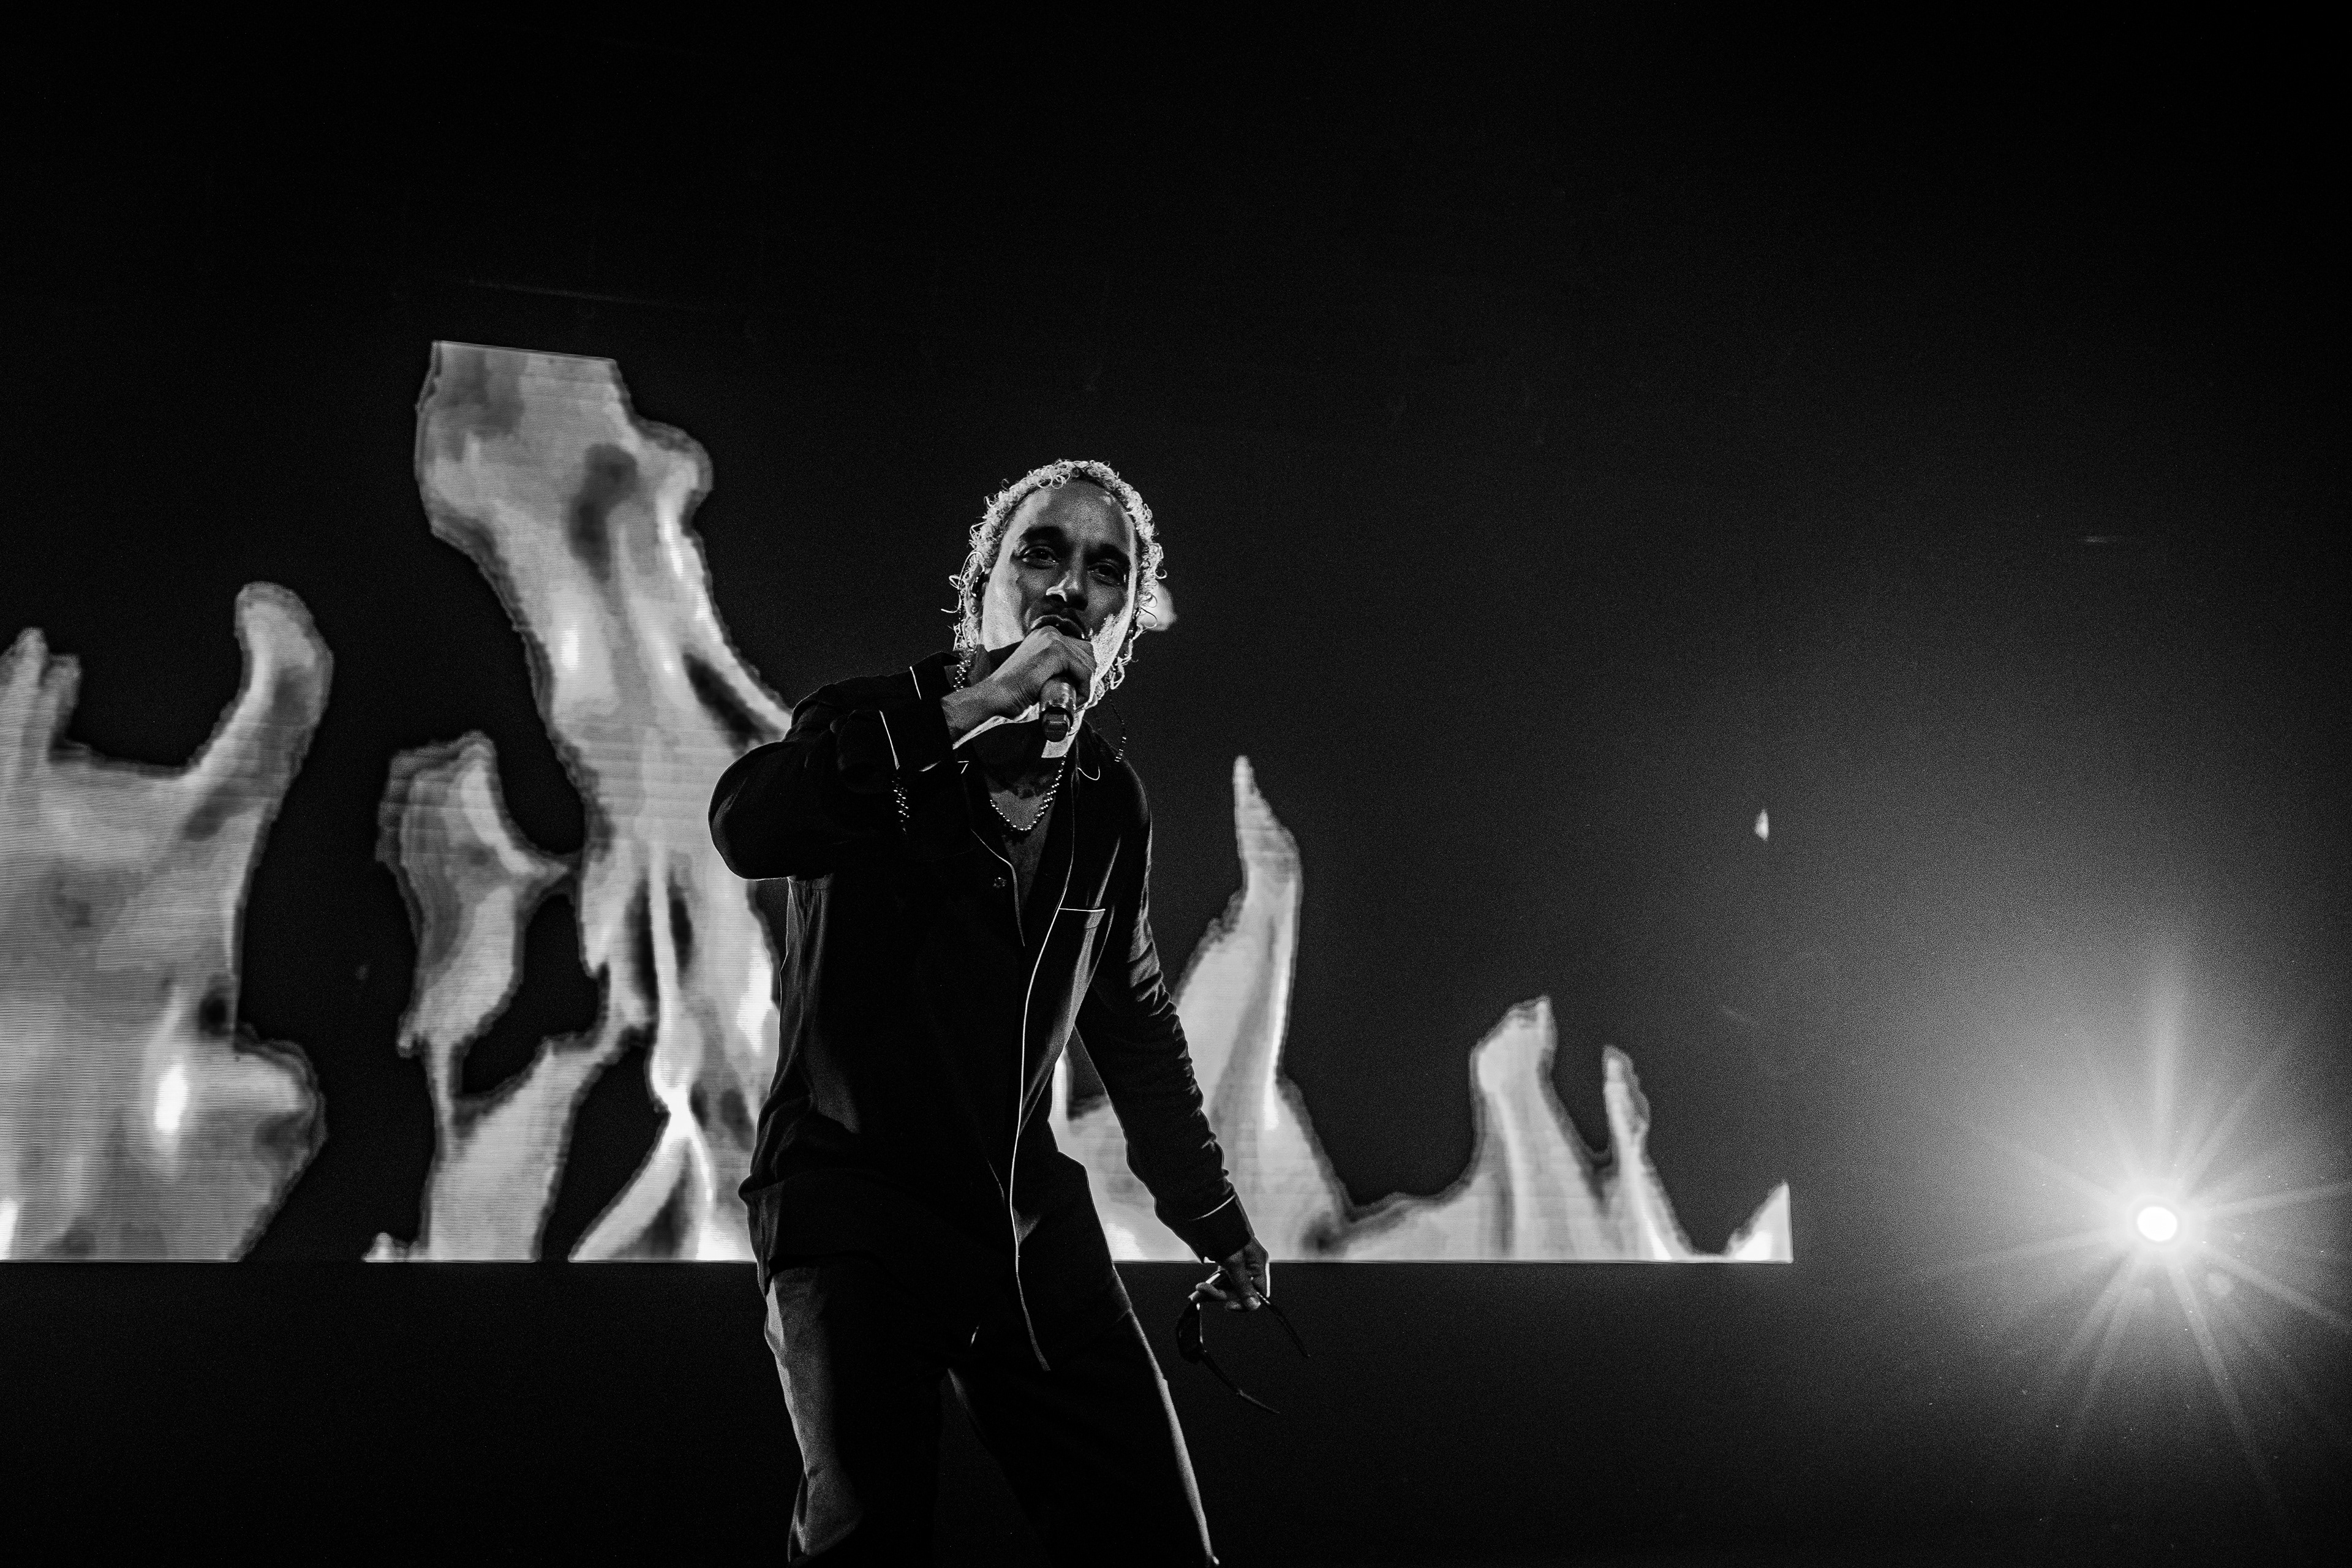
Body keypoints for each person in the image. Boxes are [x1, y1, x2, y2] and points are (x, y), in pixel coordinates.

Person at [709, 459, 1268, 1564]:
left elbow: (1134, 1022)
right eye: (1040, 554)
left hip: (1019, 1219)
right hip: (853, 1206)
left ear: (1122, 631)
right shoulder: (872, 721)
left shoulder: (1109, 805)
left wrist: (1214, 1218)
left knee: (1156, 1543)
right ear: (982, 591)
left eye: (1104, 572)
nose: (1069, 587)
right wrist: (970, 711)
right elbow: (750, 825)